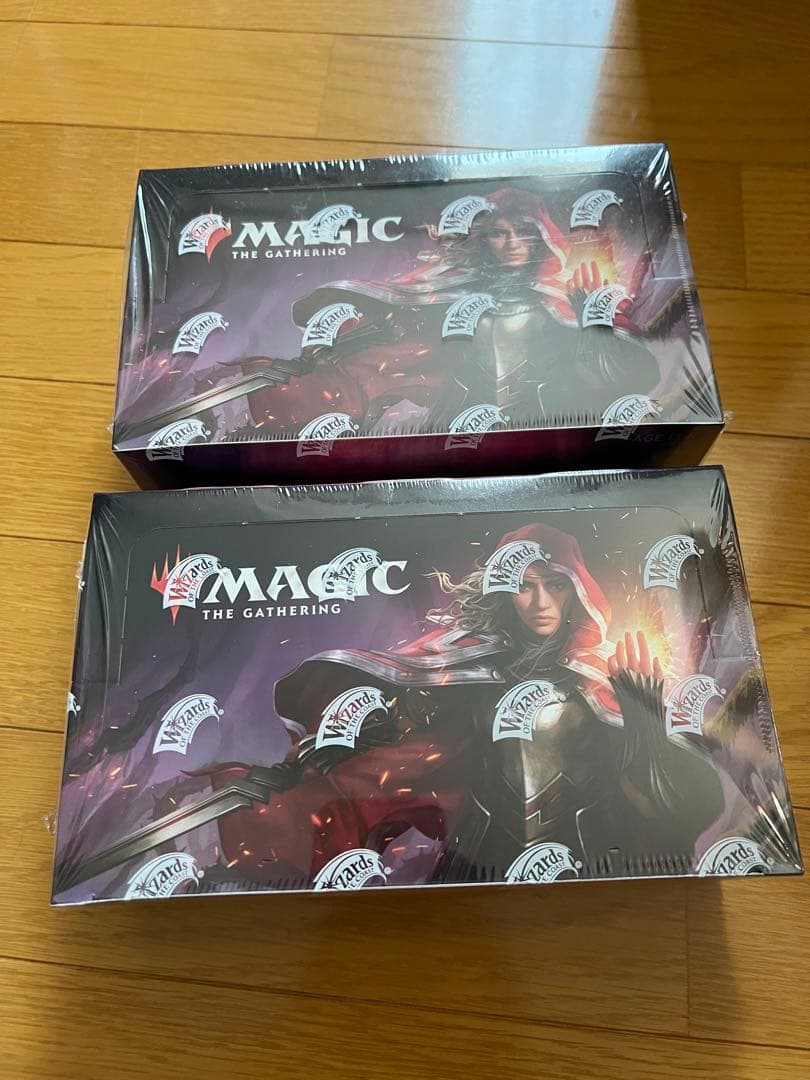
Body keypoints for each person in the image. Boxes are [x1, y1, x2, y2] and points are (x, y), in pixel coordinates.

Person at [201, 521, 725, 886]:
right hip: (482, 854)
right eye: (524, 587)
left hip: (588, 859)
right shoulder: (468, 660)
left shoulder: (608, 672)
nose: (541, 603)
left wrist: (644, 716)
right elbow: (403, 750)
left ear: (576, 592)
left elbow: (678, 801)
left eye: (554, 586)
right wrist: (317, 759)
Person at [212, 187, 661, 436]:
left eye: (521, 232)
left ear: (539, 239)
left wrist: (593, 320)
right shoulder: (447, 281)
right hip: (386, 396)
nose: (511, 243)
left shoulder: (556, 300)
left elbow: (628, 373)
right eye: (498, 232)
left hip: (478, 417)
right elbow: (388, 311)